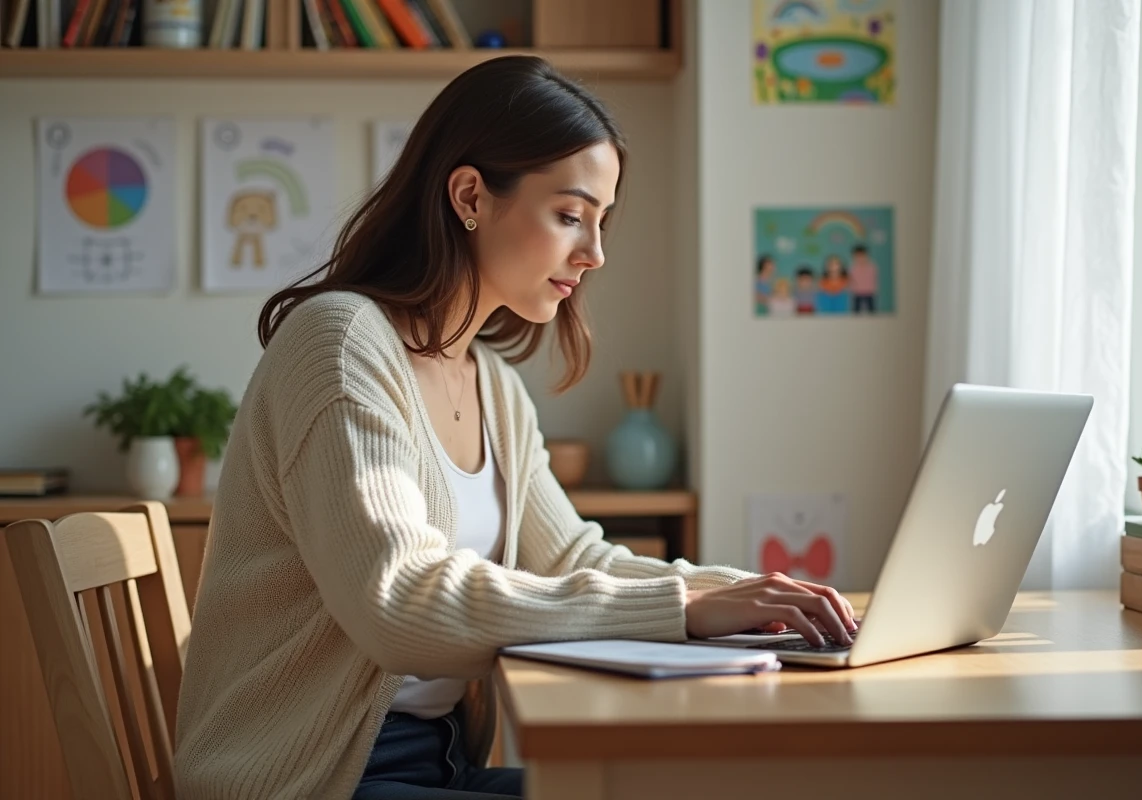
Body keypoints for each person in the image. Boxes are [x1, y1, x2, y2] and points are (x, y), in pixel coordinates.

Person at [173, 56, 857, 800]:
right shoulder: (340, 346)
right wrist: (685, 609)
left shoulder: (492, 384)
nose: (595, 253)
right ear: (470, 195)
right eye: (570, 215)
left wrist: (750, 597)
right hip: (310, 779)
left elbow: (567, 555)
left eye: (602, 221)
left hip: (432, 764)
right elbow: (400, 605)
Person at [848, 244, 878, 313]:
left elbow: (874, 280)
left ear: (867, 256)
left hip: (869, 293)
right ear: (854, 257)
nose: (860, 258)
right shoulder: (852, 268)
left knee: (872, 310)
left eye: (862, 256)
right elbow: (851, 281)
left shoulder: (872, 267)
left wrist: (874, 290)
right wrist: (852, 289)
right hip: (857, 293)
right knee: (856, 310)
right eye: (857, 256)